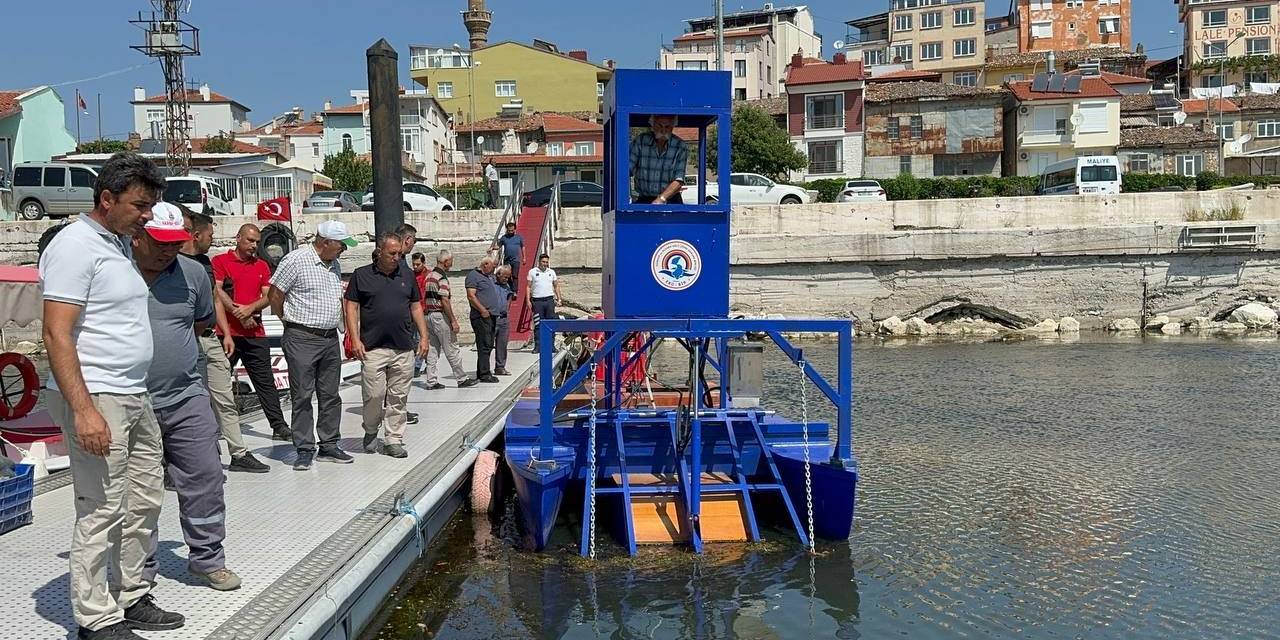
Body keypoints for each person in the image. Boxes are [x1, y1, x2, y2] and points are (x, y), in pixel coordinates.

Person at [40, 151, 184, 639]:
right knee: (101, 507)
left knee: (144, 499)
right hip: (98, 396)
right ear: (107, 198)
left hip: (133, 394)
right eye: (140, 205)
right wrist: (83, 411)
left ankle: (132, 593)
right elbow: (57, 334)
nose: (147, 216)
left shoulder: (117, 243)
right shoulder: (75, 245)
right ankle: (96, 618)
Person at [134, 203, 242, 593]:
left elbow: (201, 323)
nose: (167, 250)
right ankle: (140, 569)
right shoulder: (115, 271)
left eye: (175, 242)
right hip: (132, 400)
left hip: (185, 394)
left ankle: (208, 559)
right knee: (138, 492)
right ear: (138, 235)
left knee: (206, 477)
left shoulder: (194, 273)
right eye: (159, 242)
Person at [180, 210, 269, 473]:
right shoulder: (173, 262)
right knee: (192, 401)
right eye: (210, 235)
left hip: (211, 337)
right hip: (187, 339)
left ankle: (238, 453)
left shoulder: (206, 263)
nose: (213, 239)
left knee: (224, 397)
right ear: (197, 235)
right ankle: (193, 456)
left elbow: (215, 298)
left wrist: (226, 333)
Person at [269, 220, 357, 470]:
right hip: (302, 337)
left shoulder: (334, 264)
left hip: (329, 338)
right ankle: (305, 448)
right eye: (341, 244)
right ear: (326, 242)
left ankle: (329, 445)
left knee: (331, 394)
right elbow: (275, 294)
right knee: (302, 395)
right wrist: (287, 321)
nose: (344, 249)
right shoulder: (296, 260)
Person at [345, 232, 429, 458]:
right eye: (392, 253)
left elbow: (416, 307)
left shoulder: (407, 275)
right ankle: (371, 430)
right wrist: (355, 338)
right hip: (373, 347)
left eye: (399, 254)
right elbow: (351, 307)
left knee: (398, 397)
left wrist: (424, 336)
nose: (397, 257)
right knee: (373, 394)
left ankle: (393, 439)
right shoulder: (361, 275)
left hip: (403, 346)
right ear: (379, 252)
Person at [212, 224, 290, 442]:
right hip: (226, 333)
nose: (254, 246)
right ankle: (212, 427)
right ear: (238, 238)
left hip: (255, 332)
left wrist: (250, 309)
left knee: (265, 381)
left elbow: (268, 295)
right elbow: (216, 291)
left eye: (256, 242)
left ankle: (279, 426)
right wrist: (239, 314)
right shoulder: (220, 262)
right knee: (218, 382)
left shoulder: (262, 265)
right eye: (249, 241)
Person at [423, 249, 477, 389]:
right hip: (440, 316)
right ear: (446, 261)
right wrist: (453, 320)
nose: (452, 264)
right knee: (451, 348)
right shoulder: (442, 278)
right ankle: (461, 378)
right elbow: (444, 300)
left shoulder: (429, 276)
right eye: (451, 261)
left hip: (428, 316)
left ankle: (431, 380)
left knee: (433, 350)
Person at [629, 114, 689, 205]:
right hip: (644, 200)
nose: (663, 130)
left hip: (671, 200)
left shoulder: (680, 146)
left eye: (667, 126)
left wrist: (662, 198)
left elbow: (679, 179)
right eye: (660, 125)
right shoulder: (640, 141)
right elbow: (626, 170)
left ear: (673, 126)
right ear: (652, 125)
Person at [465, 256, 504, 383]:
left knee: (488, 344)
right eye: (493, 266)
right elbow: (471, 296)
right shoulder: (473, 276)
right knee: (484, 344)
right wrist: (483, 310)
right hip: (482, 316)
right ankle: (484, 373)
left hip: (490, 316)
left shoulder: (488, 277)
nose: (494, 269)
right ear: (486, 264)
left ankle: (482, 371)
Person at [526, 253, 562, 353]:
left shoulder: (551, 272)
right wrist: (528, 300)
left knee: (551, 323)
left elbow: (556, 286)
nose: (545, 264)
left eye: (546, 262)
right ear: (539, 261)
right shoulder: (532, 272)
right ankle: (538, 347)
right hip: (537, 301)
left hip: (549, 301)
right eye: (543, 262)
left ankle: (551, 346)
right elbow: (528, 287)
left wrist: (559, 299)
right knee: (538, 324)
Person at [493, 264, 517, 376]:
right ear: (498, 274)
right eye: (505, 277)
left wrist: (507, 309)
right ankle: (484, 370)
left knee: (502, 345)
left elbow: (509, 297)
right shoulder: (490, 284)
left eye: (508, 277)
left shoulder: (506, 286)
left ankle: (500, 367)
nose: (506, 279)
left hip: (504, 319)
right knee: (487, 345)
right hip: (492, 318)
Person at [490, 221, 524, 296]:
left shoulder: (518, 237)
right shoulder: (504, 238)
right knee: (507, 275)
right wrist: (492, 248)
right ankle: (510, 288)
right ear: (507, 230)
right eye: (509, 230)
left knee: (515, 276)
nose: (510, 232)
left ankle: (515, 291)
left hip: (516, 260)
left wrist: (524, 258)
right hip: (507, 259)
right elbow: (498, 246)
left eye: (512, 230)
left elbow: (523, 247)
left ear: (515, 229)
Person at [411, 251, 429, 375]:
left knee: (419, 339)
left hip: (423, 311)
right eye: (414, 264)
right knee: (414, 340)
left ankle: (417, 366)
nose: (415, 267)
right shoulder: (411, 275)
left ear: (423, 263)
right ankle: (428, 363)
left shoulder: (428, 275)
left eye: (418, 264)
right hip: (412, 311)